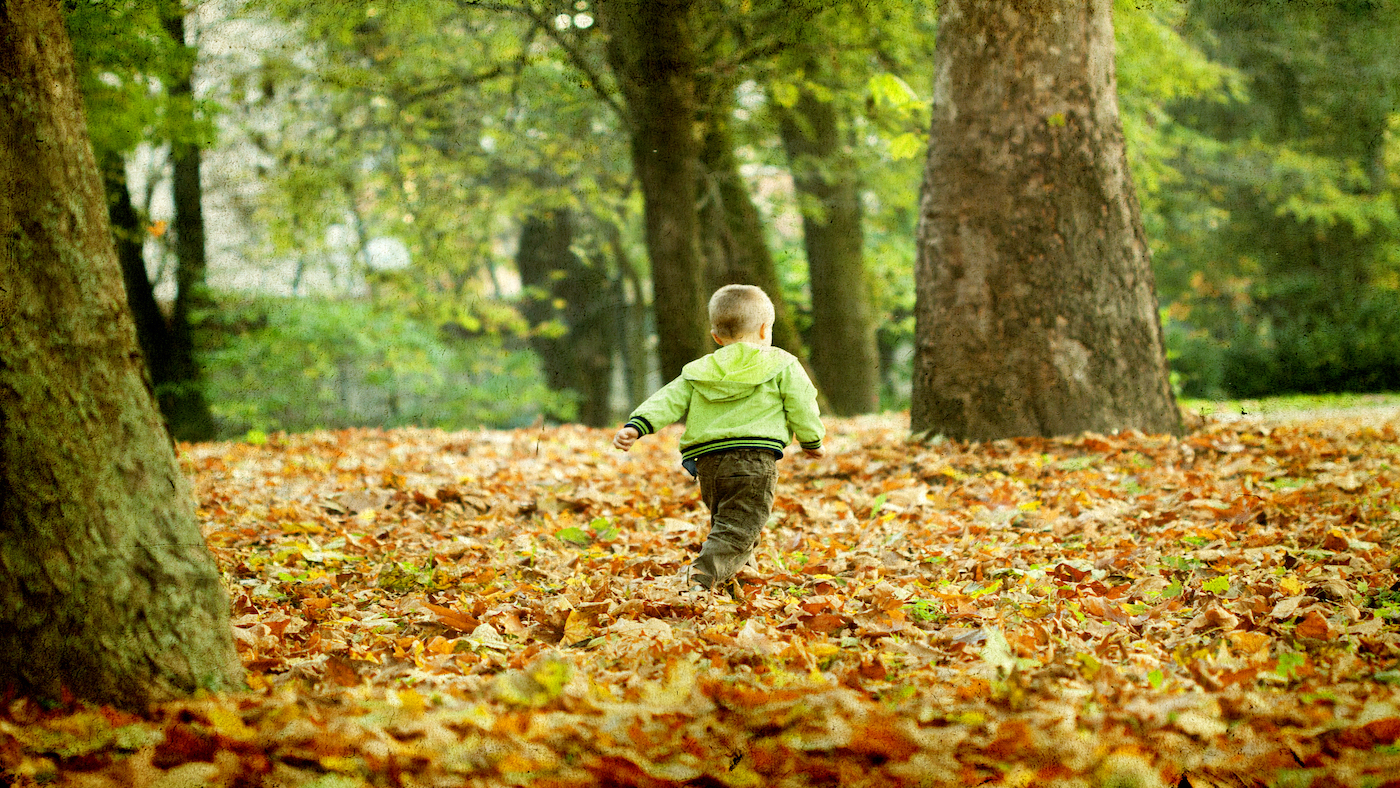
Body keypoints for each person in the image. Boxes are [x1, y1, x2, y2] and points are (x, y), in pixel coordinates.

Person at [612, 284, 825, 596]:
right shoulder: (782, 364)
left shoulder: (700, 369)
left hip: (709, 464)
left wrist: (637, 425)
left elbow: (667, 399)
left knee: (730, 519)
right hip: (754, 460)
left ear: (715, 336)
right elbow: (802, 404)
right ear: (765, 329)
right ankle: (700, 578)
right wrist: (812, 441)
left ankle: (742, 571)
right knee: (742, 522)